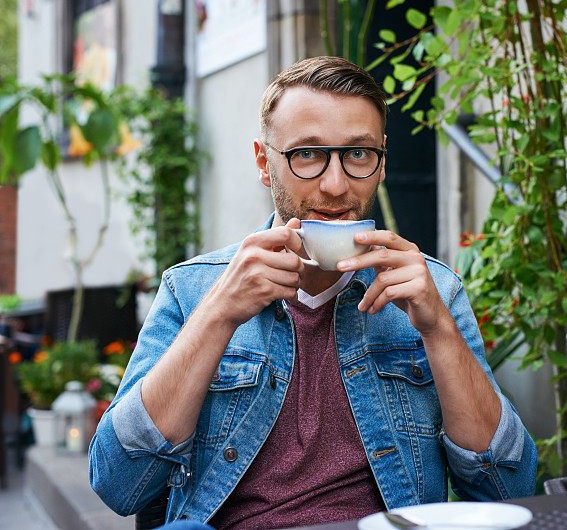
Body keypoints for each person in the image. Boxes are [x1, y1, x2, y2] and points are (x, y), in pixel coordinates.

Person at [89, 56, 537, 528]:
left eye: (358, 154)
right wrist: (219, 313)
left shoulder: (432, 291)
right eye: (307, 154)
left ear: (382, 163)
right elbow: (121, 485)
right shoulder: (193, 289)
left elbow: (508, 489)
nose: (336, 184)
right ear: (265, 163)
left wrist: (439, 330)